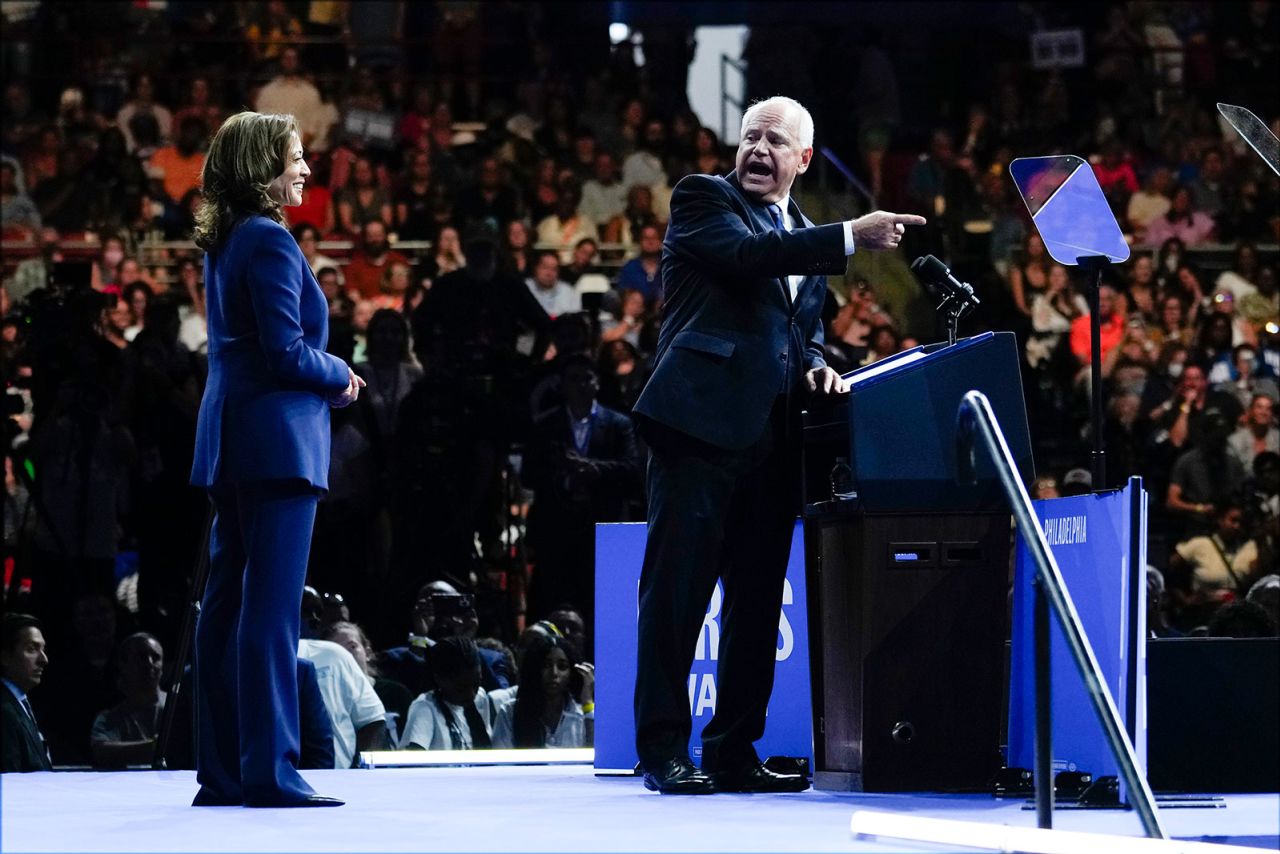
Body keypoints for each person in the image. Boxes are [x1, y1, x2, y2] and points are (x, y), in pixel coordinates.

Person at [631, 96, 925, 795]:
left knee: (758, 601)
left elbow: (800, 326)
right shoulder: (704, 199)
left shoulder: (800, 229)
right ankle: (663, 750)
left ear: (803, 160)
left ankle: (734, 749)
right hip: (698, 427)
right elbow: (746, 257)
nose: (758, 150)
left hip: (775, 436)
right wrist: (848, 235)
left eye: (775, 141)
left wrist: (819, 360)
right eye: (750, 137)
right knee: (676, 595)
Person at [189, 111, 364, 808]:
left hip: (234, 440)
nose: (306, 170)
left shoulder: (230, 238)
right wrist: (341, 375)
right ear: (264, 166)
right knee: (269, 613)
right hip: (277, 446)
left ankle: (227, 771)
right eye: (296, 158)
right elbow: (286, 352)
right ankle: (271, 771)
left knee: (226, 606)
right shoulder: (268, 240)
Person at [491, 633, 593, 749]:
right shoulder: (510, 713)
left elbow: (596, 758)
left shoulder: (582, 715)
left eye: (562, 666)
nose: (554, 673)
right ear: (534, 669)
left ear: (572, 673)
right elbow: (501, 763)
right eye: (546, 665)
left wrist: (588, 703)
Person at [1, 613, 52, 773]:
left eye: (43, 649)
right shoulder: (3, 711)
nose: (44, 659)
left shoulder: (18, 703)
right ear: (5, 656)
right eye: (31, 649)